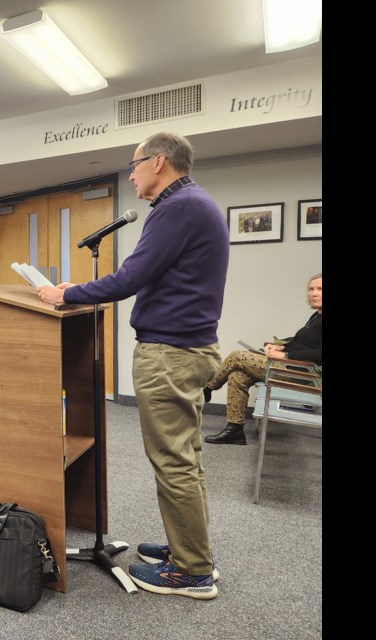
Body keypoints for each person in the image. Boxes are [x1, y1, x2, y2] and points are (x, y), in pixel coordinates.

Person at [36, 132, 228, 600]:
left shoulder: (177, 208)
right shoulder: (195, 203)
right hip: (188, 350)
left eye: (135, 164)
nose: (131, 173)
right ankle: (190, 549)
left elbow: (130, 279)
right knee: (186, 460)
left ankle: (193, 572)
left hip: (170, 354)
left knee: (174, 462)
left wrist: (66, 294)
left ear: (159, 162)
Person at [203, 273, 322, 445]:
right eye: (311, 289)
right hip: (287, 366)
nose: (314, 293)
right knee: (237, 376)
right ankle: (234, 430)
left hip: (297, 373)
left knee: (237, 356)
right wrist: (282, 346)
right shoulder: (316, 316)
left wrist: (285, 355)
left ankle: (208, 388)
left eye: (319, 289)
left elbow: (319, 355)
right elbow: (302, 342)